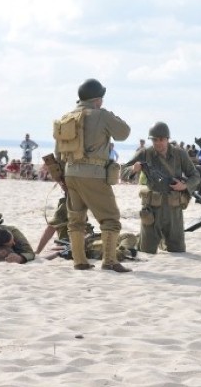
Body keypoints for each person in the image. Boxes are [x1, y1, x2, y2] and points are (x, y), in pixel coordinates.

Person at [57, 78, 131, 272]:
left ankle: (79, 261)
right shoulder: (101, 115)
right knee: (110, 219)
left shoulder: (67, 116)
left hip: (70, 172)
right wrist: (108, 115)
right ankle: (109, 261)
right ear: (98, 99)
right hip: (94, 174)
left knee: (76, 220)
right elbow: (124, 133)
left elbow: (59, 150)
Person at [121, 122, 199, 254]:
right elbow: (123, 172)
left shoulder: (180, 154)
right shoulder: (145, 153)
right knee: (146, 251)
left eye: (161, 139)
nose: (158, 143)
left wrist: (184, 186)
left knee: (178, 250)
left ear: (167, 139)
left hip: (173, 211)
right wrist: (133, 169)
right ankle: (149, 239)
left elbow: (195, 176)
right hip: (151, 210)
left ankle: (163, 241)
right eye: (154, 140)